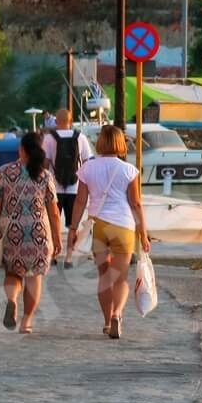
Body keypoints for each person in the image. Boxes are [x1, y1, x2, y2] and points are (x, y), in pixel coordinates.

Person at [69, 124, 151, 339]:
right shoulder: (129, 170)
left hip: (99, 227)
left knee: (104, 277)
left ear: (100, 142)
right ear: (120, 143)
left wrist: (73, 228)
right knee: (120, 278)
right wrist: (143, 233)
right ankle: (117, 314)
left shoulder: (88, 168)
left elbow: (80, 201)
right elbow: (136, 204)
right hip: (123, 226)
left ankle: (106, 322)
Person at [0, 132, 63, 334]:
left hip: (11, 233)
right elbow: (53, 212)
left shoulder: (5, 171)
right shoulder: (45, 175)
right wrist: (58, 237)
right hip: (38, 234)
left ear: (22, 149)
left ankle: (12, 301)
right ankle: (26, 322)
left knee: (12, 272)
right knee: (34, 277)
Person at [41, 109, 93, 248]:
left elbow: (45, 164)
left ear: (56, 121)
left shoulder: (48, 138)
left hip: (53, 187)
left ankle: (54, 250)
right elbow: (87, 162)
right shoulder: (80, 137)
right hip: (74, 187)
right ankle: (70, 253)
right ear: (70, 121)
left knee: (53, 219)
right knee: (72, 224)